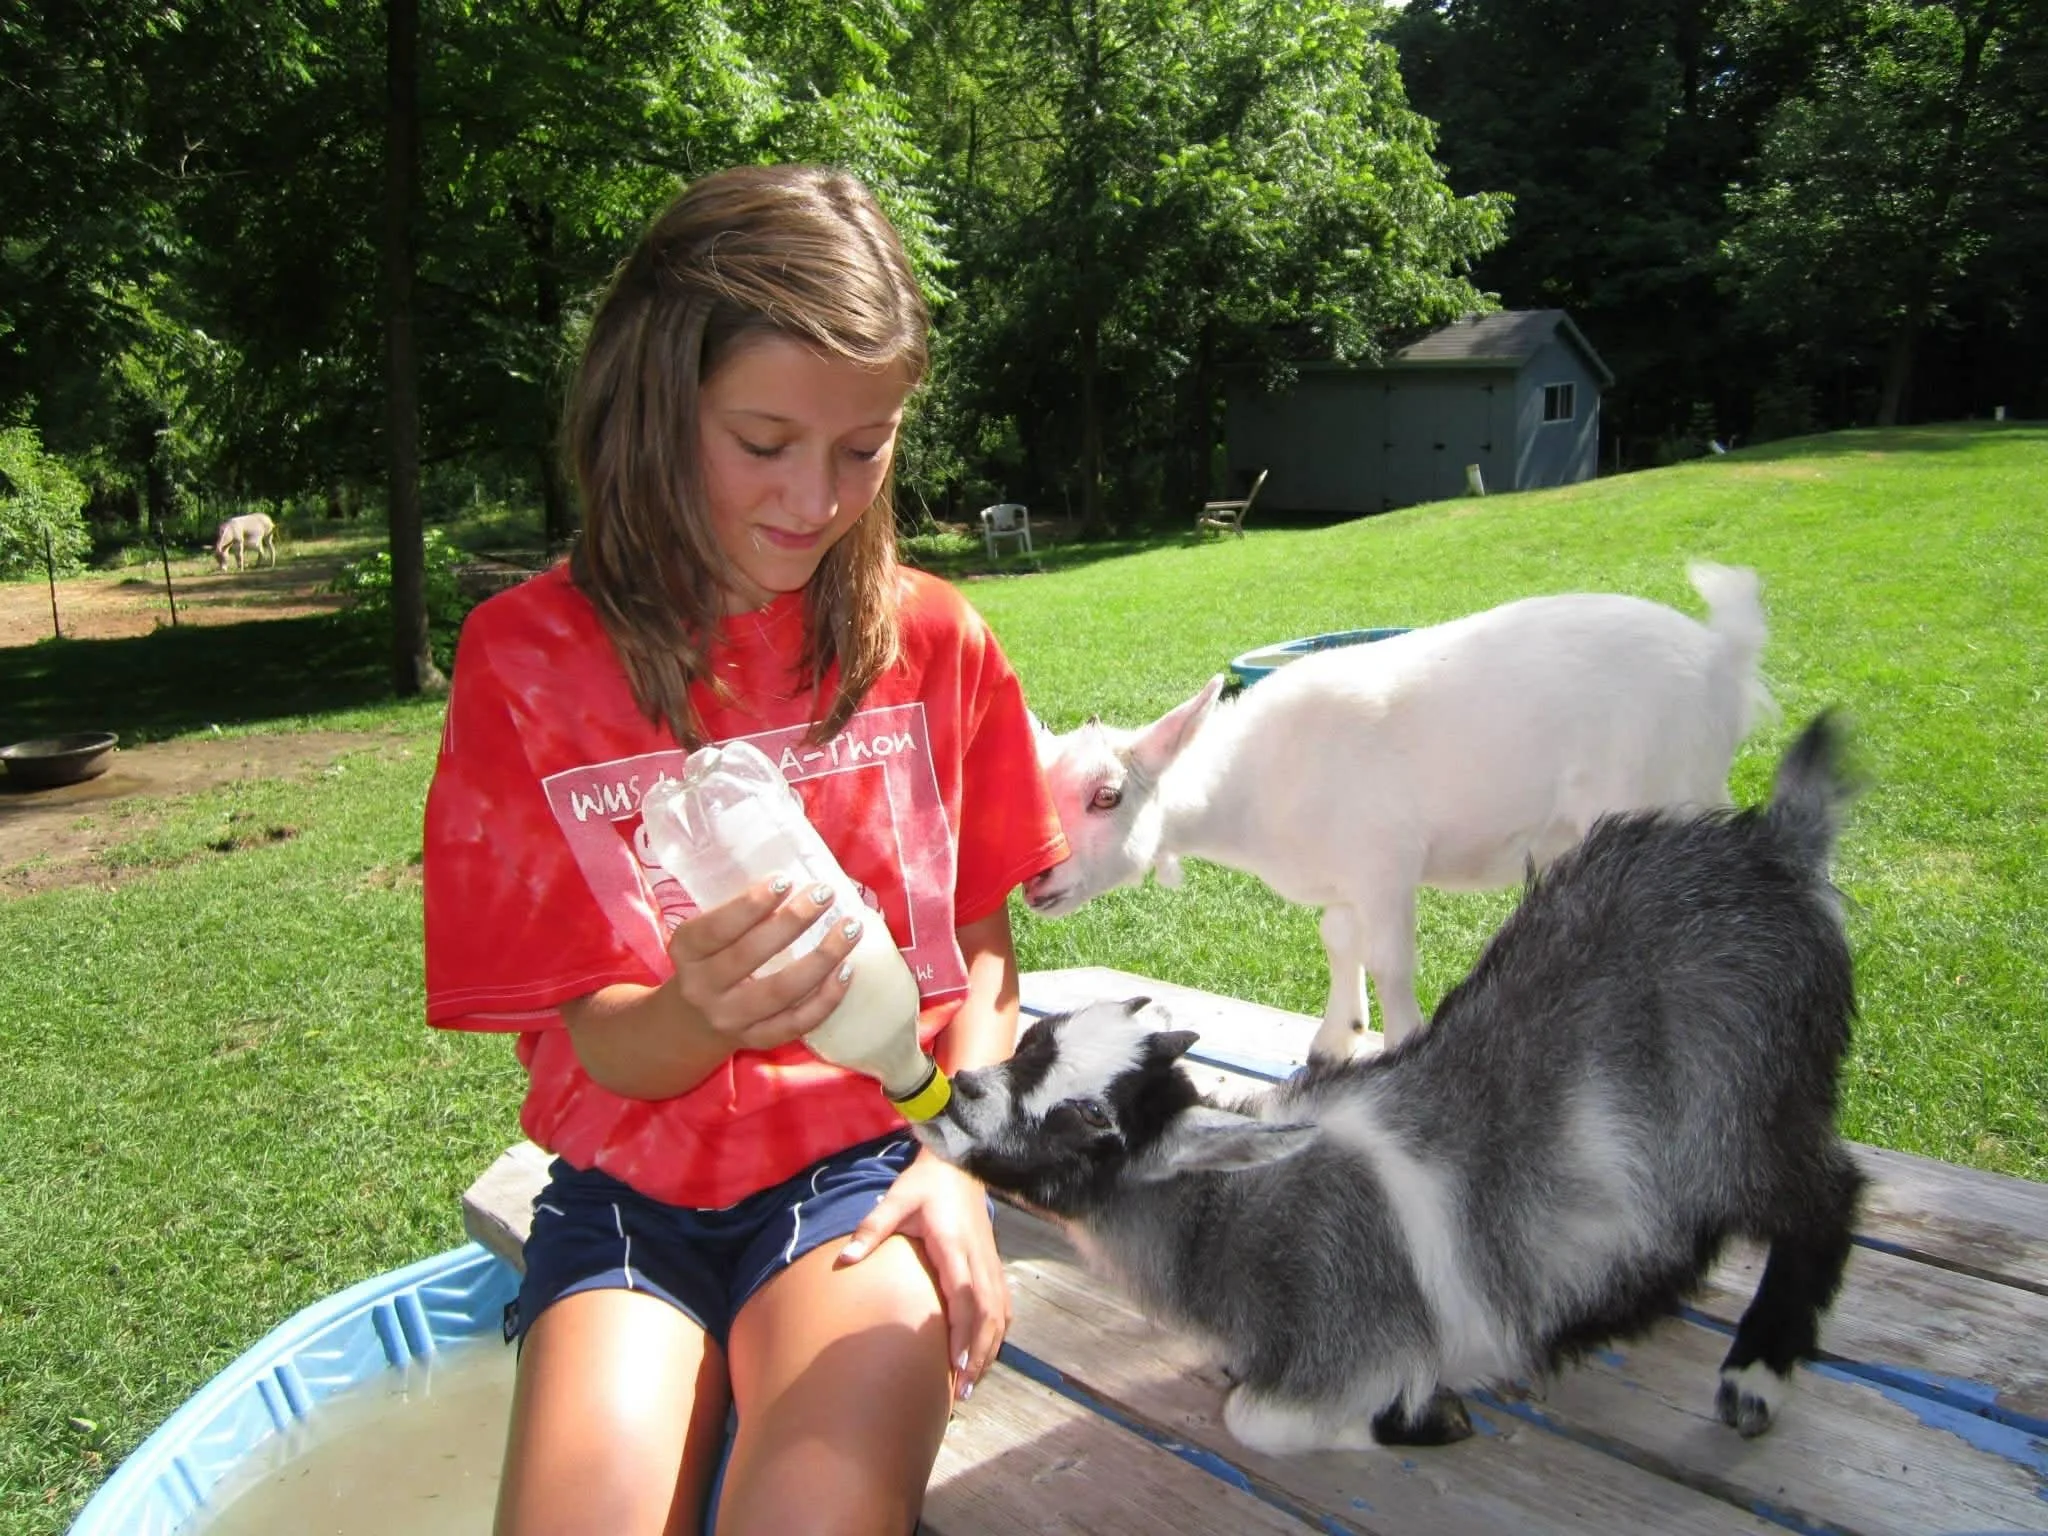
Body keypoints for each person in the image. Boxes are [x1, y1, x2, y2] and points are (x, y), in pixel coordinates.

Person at [421, 163, 1070, 1536]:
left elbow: (984, 953)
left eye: (864, 446)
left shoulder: (933, 640)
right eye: (763, 440)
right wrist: (701, 1008)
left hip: (862, 1172)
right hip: (627, 1202)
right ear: (657, 400)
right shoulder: (528, 662)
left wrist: (958, 1161)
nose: (815, 498)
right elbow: (608, 1045)